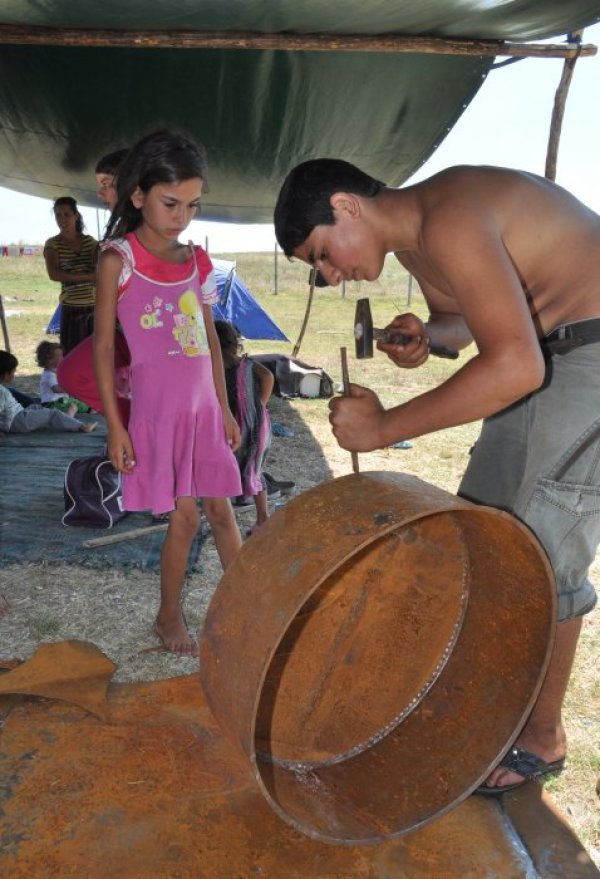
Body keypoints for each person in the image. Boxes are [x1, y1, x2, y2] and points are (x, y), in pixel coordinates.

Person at [274, 158, 600, 795]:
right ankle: (490, 706)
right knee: (483, 535)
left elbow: (514, 366)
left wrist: (383, 428)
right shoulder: (417, 241)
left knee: (544, 551)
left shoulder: (449, 215)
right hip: (546, 349)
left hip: (589, 351)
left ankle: (543, 738)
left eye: (322, 255)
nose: (330, 275)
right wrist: (428, 335)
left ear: (346, 206)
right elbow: (474, 323)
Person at [94, 128, 243, 657]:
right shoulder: (119, 260)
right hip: (161, 413)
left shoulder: (198, 261)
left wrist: (225, 408)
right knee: (184, 517)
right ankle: (166, 616)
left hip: (205, 412)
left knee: (222, 513)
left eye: (193, 205)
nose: (182, 216)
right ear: (139, 196)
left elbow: (208, 339)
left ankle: (249, 612)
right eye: (170, 202)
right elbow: (104, 350)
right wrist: (116, 425)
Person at [57, 149, 132, 424]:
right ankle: (130, 424)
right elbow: (56, 274)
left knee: (74, 373)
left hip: (139, 333)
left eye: (106, 185)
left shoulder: (135, 238)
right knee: (72, 373)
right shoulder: (114, 239)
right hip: (110, 324)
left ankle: (134, 425)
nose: (100, 194)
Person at [215, 320, 275, 536]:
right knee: (253, 469)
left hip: (234, 428)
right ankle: (262, 518)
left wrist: (258, 406)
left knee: (230, 469)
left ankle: (227, 515)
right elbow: (268, 377)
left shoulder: (214, 367)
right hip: (255, 425)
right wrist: (259, 405)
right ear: (233, 345)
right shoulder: (246, 364)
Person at [43, 196, 98, 354]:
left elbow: (100, 271)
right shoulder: (52, 244)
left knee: (95, 354)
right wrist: (88, 277)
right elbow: (53, 274)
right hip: (71, 308)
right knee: (72, 354)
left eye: (66, 214)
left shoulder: (91, 243)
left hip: (93, 307)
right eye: (58, 215)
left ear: (76, 216)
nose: (62, 219)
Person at [0, 350, 96, 434]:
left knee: (37, 407)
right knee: (52, 414)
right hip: (16, 421)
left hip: (17, 416)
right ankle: (81, 427)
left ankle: (67, 419)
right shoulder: (2, 391)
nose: (14, 375)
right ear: (4, 374)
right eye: (13, 372)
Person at [35, 340, 90, 414]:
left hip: (60, 402)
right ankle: (87, 410)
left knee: (75, 403)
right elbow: (56, 389)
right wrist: (71, 388)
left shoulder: (56, 372)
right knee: (74, 405)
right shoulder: (49, 375)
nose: (63, 357)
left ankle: (86, 409)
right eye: (60, 356)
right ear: (49, 360)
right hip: (52, 404)